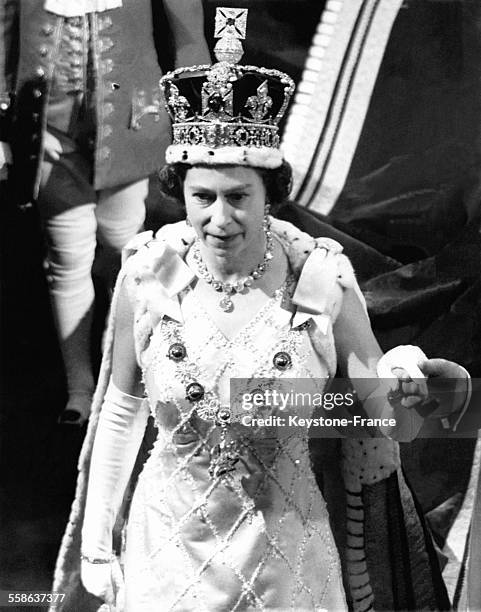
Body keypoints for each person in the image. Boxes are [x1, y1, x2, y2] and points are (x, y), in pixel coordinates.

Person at [51, 9, 472, 611]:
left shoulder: (319, 277)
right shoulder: (150, 274)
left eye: (238, 197)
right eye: (202, 197)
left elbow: (381, 413)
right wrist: (97, 545)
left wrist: (416, 382)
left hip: (288, 560)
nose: (218, 220)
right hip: (168, 550)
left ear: (269, 194)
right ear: (181, 193)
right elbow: (122, 410)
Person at [0, 0, 210, 425]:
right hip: (48, 134)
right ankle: (79, 386)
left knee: (126, 251)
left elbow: (187, 31)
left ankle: (126, 372)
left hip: (130, 124)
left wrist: (198, 114)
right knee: (68, 258)